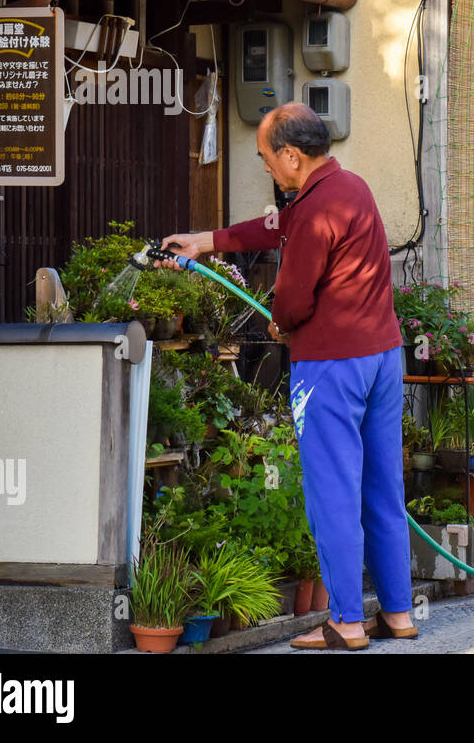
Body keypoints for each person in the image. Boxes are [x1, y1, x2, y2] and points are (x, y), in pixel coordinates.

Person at [161, 102, 415, 650]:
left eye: (266, 159)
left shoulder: (315, 209)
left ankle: (346, 622)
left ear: (292, 157)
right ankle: (398, 613)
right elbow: (276, 225)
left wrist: (279, 324)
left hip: (331, 368)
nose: (266, 170)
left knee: (333, 494)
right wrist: (206, 240)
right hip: (382, 361)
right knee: (382, 489)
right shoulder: (349, 188)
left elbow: (293, 300)